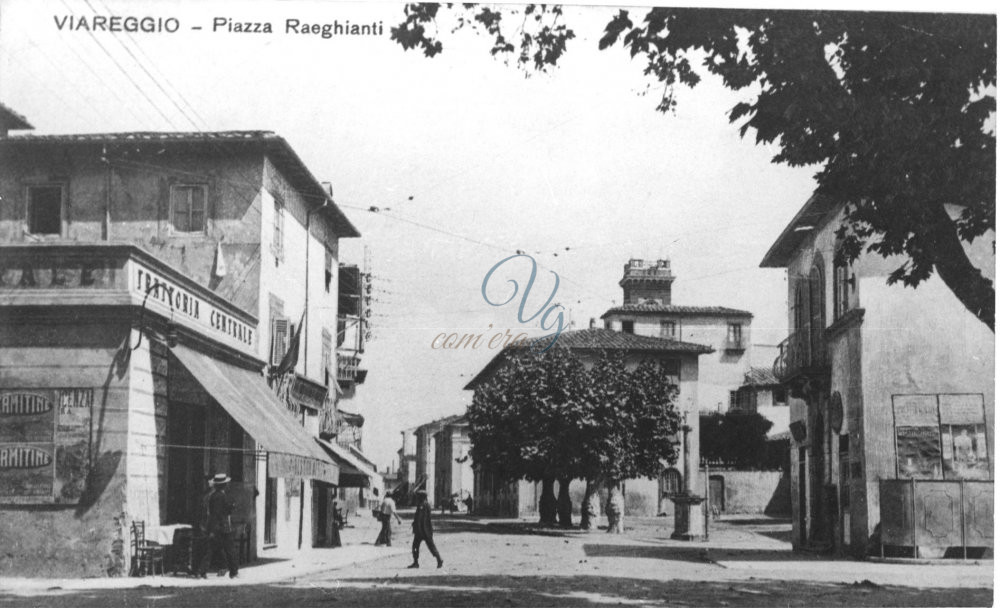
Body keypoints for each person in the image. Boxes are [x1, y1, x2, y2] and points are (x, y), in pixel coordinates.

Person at [197, 473, 238, 579]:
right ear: (223, 485)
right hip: (221, 527)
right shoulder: (220, 496)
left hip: (216, 527)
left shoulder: (215, 495)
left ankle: (202, 571)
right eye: (226, 484)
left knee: (211, 550)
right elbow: (218, 513)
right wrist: (231, 507)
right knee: (229, 549)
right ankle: (233, 572)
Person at [408, 490, 443, 569]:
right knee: (430, 546)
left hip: (422, 530)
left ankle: (416, 562)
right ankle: (439, 559)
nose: (417, 498)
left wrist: (416, 527)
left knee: (416, 546)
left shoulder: (422, 505)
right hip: (426, 530)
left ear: (421, 497)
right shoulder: (426, 504)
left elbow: (420, 518)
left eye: (418, 496)